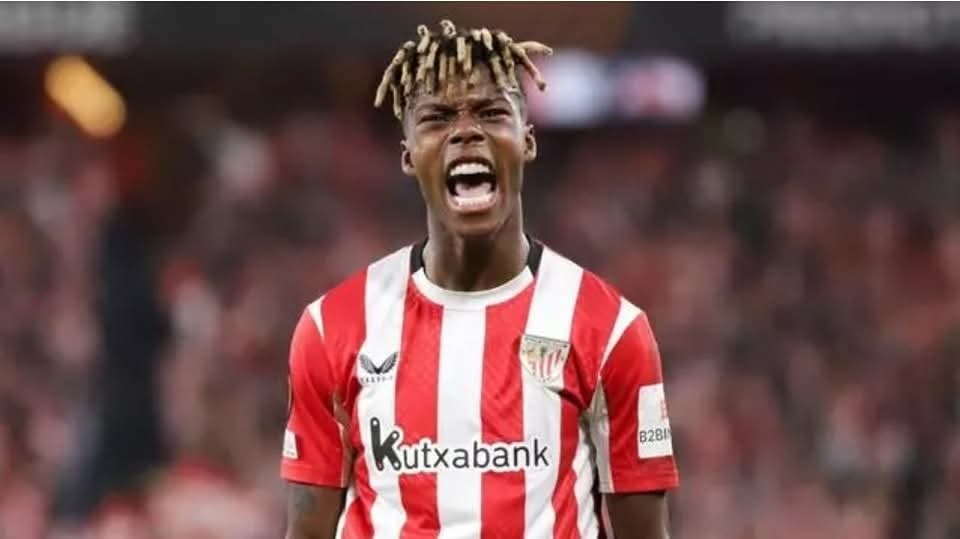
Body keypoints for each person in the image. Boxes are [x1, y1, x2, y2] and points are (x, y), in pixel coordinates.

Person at [281, 20, 679, 539]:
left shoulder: (612, 330)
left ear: (527, 141)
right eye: (437, 118)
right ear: (408, 155)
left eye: (491, 113)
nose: (466, 132)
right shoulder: (332, 327)